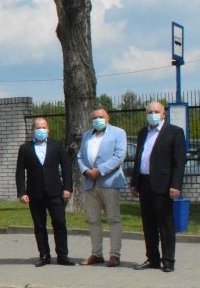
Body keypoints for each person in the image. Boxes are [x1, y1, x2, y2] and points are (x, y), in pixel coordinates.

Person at [130, 101, 186, 273]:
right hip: (144, 183)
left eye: (156, 111)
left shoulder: (174, 132)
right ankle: (152, 258)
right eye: (150, 111)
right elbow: (138, 159)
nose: (152, 114)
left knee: (165, 224)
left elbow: (179, 162)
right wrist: (134, 183)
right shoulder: (142, 133)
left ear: (163, 114)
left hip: (164, 185)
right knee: (149, 224)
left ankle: (168, 260)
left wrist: (175, 185)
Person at [15, 118, 75, 267]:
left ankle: (62, 255)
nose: (41, 130)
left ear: (48, 129)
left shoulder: (56, 146)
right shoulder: (25, 148)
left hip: (55, 191)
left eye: (43, 127)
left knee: (59, 223)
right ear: (33, 130)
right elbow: (20, 172)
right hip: (35, 193)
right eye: (38, 127)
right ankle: (44, 255)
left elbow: (66, 167)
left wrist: (68, 187)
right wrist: (22, 193)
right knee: (40, 225)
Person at [77, 107, 127, 267]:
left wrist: (100, 170)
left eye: (100, 117)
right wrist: (85, 170)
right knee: (93, 220)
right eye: (94, 117)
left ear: (108, 118)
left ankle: (114, 255)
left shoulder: (118, 133)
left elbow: (119, 156)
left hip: (109, 182)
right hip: (90, 183)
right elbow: (79, 156)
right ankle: (96, 253)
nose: (97, 119)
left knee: (113, 219)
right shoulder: (86, 135)